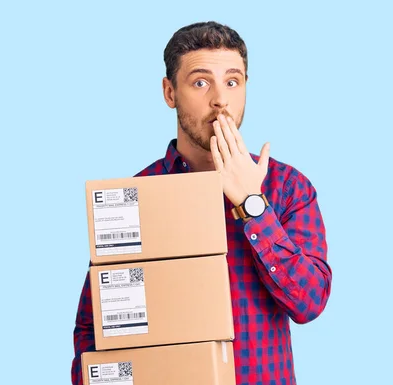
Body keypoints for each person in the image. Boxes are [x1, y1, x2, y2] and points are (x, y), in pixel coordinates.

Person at [71, 21, 332, 385]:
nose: (220, 99)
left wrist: (251, 203)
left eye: (232, 81)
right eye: (200, 82)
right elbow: (93, 330)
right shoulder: (133, 198)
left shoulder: (287, 187)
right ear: (169, 92)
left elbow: (308, 302)